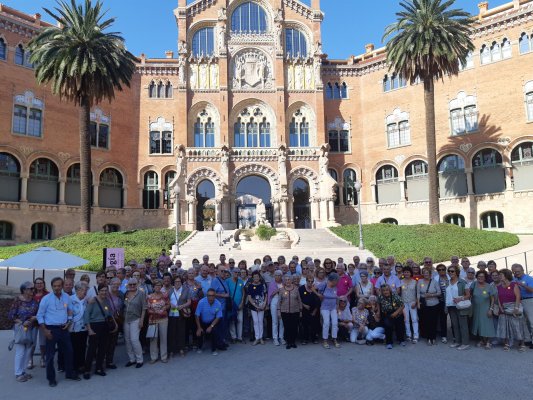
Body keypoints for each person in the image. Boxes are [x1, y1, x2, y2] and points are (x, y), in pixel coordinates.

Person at [36, 277, 80, 387]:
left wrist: (69, 321)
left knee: (69, 351)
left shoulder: (66, 297)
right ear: (52, 286)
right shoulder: (46, 299)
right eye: (54, 286)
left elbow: (69, 310)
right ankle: (51, 378)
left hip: (64, 329)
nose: (57, 288)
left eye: (59, 286)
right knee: (50, 355)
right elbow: (39, 315)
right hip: (51, 329)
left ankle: (69, 374)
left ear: (62, 286)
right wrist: (45, 330)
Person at [83, 284, 115, 379]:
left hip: (105, 326)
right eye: (102, 290)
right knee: (92, 349)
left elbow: (109, 313)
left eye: (106, 290)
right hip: (94, 326)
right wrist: (89, 329)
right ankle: (87, 370)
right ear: (98, 291)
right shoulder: (92, 301)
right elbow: (86, 315)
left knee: (102, 348)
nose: (104, 292)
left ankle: (98, 368)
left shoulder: (106, 300)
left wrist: (115, 324)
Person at [9, 281, 38, 382]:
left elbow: (38, 313)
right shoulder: (18, 300)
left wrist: (35, 318)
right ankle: (18, 373)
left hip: (32, 328)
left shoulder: (34, 301)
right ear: (24, 290)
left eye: (33, 288)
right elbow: (11, 315)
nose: (33, 290)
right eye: (31, 288)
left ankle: (23, 371)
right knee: (20, 350)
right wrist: (22, 322)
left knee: (28, 350)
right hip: (21, 328)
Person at [496, 268, 528, 352]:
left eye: (501, 275)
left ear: (506, 276)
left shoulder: (514, 285)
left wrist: (516, 308)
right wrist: (500, 308)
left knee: (517, 326)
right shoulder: (498, 287)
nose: (499, 276)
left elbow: (518, 297)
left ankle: (522, 344)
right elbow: (498, 298)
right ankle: (506, 343)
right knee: (504, 326)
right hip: (503, 308)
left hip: (514, 307)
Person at [445, 265, 471, 350]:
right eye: (449, 271)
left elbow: (468, 295)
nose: (450, 273)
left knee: (463, 325)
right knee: (455, 325)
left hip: (460, 306)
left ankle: (465, 343)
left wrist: (460, 298)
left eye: (452, 271)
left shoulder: (463, 282)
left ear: (457, 272)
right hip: (450, 306)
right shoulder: (447, 282)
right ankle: (457, 341)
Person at [470, 270, 497, 349]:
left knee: (487, 325)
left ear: (485, 278)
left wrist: (491, 309)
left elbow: (492, 299)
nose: (480, 278)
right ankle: (482, 340)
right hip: (475, 308)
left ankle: (488, 342)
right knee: (478, 325)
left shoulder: (489, 286)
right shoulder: (474, 284)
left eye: (482, 276)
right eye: (478, 276)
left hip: (486, 309)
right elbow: (470, 294)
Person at [123, 278, 146, 368]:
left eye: (134, 284)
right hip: (126, 319)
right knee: (127, 340)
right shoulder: (126, 293)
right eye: (130, 284)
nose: (132, 286)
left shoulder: (141, 294)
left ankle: (139, 360)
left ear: (137, 284)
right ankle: (132, 359)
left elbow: (144, 308)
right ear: (128, 285)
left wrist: (142, 320)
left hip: (136, 318)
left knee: (134, 340)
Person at [146, 279, 170, 363]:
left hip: (163, 318)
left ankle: (164, 356)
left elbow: (168, 304)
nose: (158, 287)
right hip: (153, 319)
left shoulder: (165, 295)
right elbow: (148, 309)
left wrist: (164, 308)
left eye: (159, 285)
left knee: (163, 338)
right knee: (153, 338)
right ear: (153, 287)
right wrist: (154, 311)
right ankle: (153, 357)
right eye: (156, 285)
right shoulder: (149, 297)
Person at [277, 274, 302, 349]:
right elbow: (279, 301)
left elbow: (299, 300)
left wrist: (300, 311)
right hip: (285, 312)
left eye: (289, 279)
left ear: (291, 281)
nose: (287, 281)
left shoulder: (296, 289)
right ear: (284, 281)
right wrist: (278, 311)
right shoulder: (281, 289)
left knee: (294, 327)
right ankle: (288, 342)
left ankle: (293, 342)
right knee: (287, 327)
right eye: (286, 280)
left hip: (295, 311)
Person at [195, 288, 223, 356]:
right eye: (209, 295)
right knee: (199, 332)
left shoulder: (218, 304)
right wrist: (199, 327)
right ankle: (199, 347)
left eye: (212, 295)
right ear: (206, 296)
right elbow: (197, 315)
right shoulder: (201, 302)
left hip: (212, 321)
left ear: (215, 296)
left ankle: (214, 349)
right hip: (202, 321)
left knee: (214, 331)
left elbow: (218, 317)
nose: (211, 297)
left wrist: (211, 326)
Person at [168, 276, 191, 357]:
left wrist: (182, 306)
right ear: (173, 283)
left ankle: (181, 349)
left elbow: (189, 302)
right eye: (175, 281)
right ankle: (172, 350)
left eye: (179, 281)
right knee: (172, 332)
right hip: (172, 314)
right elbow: (167, 301)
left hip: (181, 314)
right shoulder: (170, 290)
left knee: (181, 332)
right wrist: (171, 304)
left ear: (181, 282)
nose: (177, 283)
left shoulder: (186, 290)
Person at [511, 263, 533, 347]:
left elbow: (532, 290)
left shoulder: (529, 279)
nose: (516, 273)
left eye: (518, 271)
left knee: (531, 321)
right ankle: (527, 339)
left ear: (523, 270)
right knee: (522, 322)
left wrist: (523, 285)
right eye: (514, 272)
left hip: (529, 300)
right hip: (519, 301)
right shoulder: (514, 279)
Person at [417, 267, 440, 345]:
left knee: (433, 321)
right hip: (424, 304)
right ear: (422, 274)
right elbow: (417, 293)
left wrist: (431, 295)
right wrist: (418, 302)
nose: (426, 274)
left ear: (430, 274)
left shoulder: (435, 282)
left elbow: (439, 292)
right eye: (424, 273)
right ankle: (428, 338)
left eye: (427, 273)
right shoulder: (420, 281)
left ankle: (433, 337)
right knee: (426, 321)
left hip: (434, 304)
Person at [29, 277, 48, 369]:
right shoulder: (31, 295)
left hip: (43, 322)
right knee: (32, 341)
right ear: (34, 285)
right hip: (32, 322)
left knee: (43, 342)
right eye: (37, 283)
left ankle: (42, 358)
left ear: (44, 284)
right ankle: (30, 359)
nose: (39, 284)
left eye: (41, 283)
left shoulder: (47, 295)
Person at [378, 284, 405, 349]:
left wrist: (396, 313)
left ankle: (401, 340)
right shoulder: (380, 296)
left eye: (387, 290)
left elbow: (402, 305)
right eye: (383, 290)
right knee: (388, 327)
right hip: (387, 314)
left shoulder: (395, 296)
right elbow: (378, 303)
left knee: (399, 327)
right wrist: (379, 312)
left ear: (389, 290)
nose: (385, 292)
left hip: (397, 313)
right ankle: (389, 343)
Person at [317, 273, 340, 349]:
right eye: (337, 280)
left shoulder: (335, 287)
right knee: (326, 323)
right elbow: (313, 288)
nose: (338, 282)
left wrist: (337, 305)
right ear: (333, 280)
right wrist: (319, 295)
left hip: (333, 307)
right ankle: (325, 340)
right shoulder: (323, 285)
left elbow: (337, 297)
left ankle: (334, 338)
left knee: (335, 323)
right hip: (324, 307)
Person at [69, 281, 88, 374]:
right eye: (83, 290)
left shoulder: (87, 300)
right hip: (73, 329)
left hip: (84, 328)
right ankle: (73, 367)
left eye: (86, 289)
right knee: (74, 348)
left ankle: (81, 365)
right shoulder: (70, 299)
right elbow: (68, 313)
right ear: (77, 290)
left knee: (83, 347)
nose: (85, 292)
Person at [105, 278, 123, 369]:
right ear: (110, 284)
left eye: (118, 284)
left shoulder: (120, 295)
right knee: (105, 342)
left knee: (112, 342)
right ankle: (101, 360)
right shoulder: (106, 295)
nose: (116, 286)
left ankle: (109, 361)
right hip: (107, 321)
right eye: (114, 284)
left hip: (116, 321)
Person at [211, 266, 231, 348]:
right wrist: (223, 295)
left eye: (225, 271)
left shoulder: (224, 280)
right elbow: (212, 293)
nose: (224, 273)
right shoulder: (215, 281)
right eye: (222, 271)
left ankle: (222, 341)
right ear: (217, 272)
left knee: (223, 325)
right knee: (219, 326)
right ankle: (219, 343)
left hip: (224, 307)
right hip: (218, 308)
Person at [246, 270, 267, 345]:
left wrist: (264, 304)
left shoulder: (263, 285)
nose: (256, 278)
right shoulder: (250, 286)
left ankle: (261, 338)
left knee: (260, 321)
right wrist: (255, 305)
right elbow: (249, 297)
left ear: (259, 277)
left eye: (257, 276)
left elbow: (265, 295)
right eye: (254, 277)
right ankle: (257, 338)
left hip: (261, 306)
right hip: (253, 306)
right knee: (255, 322)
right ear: (252, 278)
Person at [299, 275, 320, 345]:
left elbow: (318, 301)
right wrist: (304, 305)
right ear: (306, 281)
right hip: (304, 310)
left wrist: (315, 310)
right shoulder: (301, 289)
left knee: (314, 325)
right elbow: (298, 299)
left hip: (314, 310)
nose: (310, 282)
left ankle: (314, 339)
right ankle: (305, 339)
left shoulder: (315, 289)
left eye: (312, 281)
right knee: (305, 325)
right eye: (309, 281)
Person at [400, 266, 419, 343]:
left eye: (408, 272)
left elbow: (418, 293)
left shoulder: (415, 282)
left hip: (412, 302)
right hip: (404, 302)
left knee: (414, 319)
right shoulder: (400, 281)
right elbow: (399, 292)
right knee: (406, 319)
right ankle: (408, 335)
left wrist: (416, 302)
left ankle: (416, 335)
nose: (406, 273)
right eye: (405, 272)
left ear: (410, 273)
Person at [226, 268, 245, 343]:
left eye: (238, 272)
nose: (236, 273)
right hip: (231, 304)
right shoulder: (228, 281)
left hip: (239, 304)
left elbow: (243, 293)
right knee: (232, 321)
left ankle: (239, 337)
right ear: (232, 273)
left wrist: (242, 302)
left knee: (240, 320)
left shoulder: (240, 281)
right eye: (235, 272)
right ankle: (233, 337)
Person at [268, 270, 285, 346]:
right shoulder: (272, 283)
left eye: (279, 275)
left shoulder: (284, 283)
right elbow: (270, 294)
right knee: (275, 321)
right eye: (277, 275)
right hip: (274, 301)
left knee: (282, 321)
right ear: (274, 276)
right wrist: (278, 290)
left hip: (283, 302)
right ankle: (275, 338)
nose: (278, 276)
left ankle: (281, 337)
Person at [435, 263, 450, 343]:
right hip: (441, 301)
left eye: (443, 269)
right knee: (443, 319)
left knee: (453, 319)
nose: (441, 271)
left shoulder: (450, 277)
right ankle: (444, 336)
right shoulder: (436, 278)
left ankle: (455, 336)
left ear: (445, 270)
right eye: (439, 270)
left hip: (451, 301)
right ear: (437, 271)